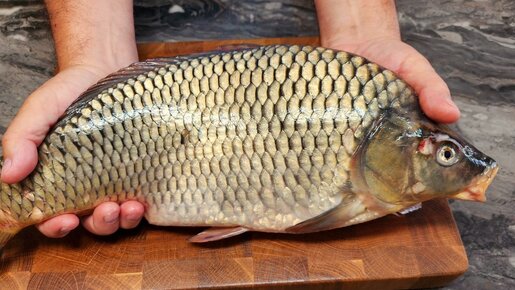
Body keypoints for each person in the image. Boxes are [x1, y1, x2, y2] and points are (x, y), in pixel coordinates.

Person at [0, 0, 460, 238]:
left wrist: (364, 30)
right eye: (443, 153)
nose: (447, 156)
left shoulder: (375, 98)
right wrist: (93, 56)